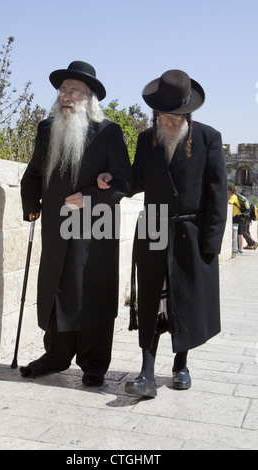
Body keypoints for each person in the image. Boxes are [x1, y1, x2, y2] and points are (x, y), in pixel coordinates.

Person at [98, 69, 228, 397]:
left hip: (190, 230)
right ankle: (146, 371)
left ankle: (181, 364)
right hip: (154, 222)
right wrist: (110, 180)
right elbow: (136, 180)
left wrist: (210, 243)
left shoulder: (209, 138)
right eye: (164, 115)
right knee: (152, 296)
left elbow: (217, 193)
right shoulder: (146, 139)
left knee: (184, 298)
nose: (169, 122)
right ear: (156, 112)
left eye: (177, 116)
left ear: (188, 112)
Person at [19, 61, 132, 386]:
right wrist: (30, 205)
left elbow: (124, 182)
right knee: (56, 289)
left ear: (89, 98)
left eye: (75, 91)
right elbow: (34, 175)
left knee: (92, 291)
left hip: (95, 228)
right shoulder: (46, 129)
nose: (67, 95)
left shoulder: (108, 132)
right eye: (63, 90)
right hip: (56, 228)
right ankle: (56, 356)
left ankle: (94, 364)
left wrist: (90, 197)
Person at [227, 185, 245, 253]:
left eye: (228, 191)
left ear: (230, 191)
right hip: (239, 216)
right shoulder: (235, 196)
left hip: (238, 216)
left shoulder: (233, 197)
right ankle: (238, 247)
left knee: (239, 233)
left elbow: (229, 203)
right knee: (238, 232)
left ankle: (240, 248)